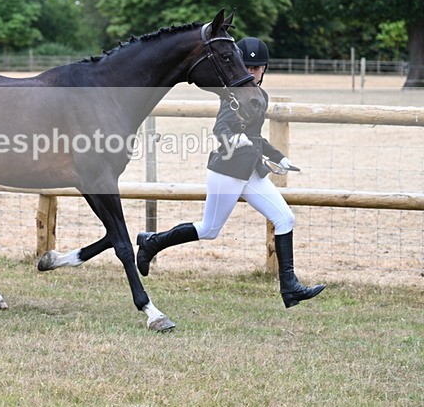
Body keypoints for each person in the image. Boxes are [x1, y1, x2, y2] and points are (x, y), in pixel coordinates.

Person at [136, 37, 325, 308]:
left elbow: (256, 137)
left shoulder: (260, 96)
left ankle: (290, 288)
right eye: (247, 66)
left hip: (250, 172)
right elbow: (220, 130)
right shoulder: (234, 94)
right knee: (209, 229)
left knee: (285, 218)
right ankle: (152, 242)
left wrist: (279, 157)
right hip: (227, 171)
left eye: (257, 67)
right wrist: (235, 141)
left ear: (264, 69)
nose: (251, 71)